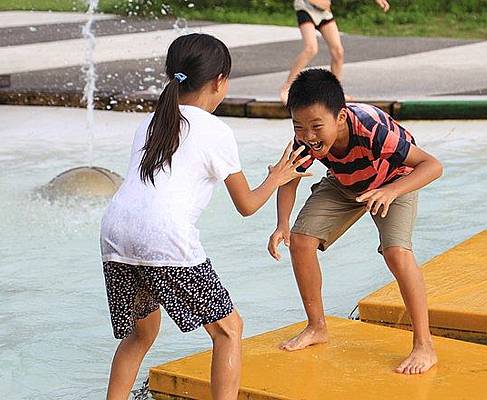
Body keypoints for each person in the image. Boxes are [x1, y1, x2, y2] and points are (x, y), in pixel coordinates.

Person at [100, 33, 311, 400]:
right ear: (219, 82)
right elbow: (246, 205)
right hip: (161, 237)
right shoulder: (216, 131)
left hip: (115, 233)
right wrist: (278, 177)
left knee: (141, 334)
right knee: (228, 330)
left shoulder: (150, 123)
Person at [268, 68, 442, 374]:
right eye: (299, 127)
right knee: (300, 242)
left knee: (397, 253)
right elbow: (289, 178)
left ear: (340, 118)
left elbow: (432, 166)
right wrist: (283, 224)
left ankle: (424, 345)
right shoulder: (305, 139)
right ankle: (316, 327)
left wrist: (390, 191)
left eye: (316, 127)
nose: (308, 136)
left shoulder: (372, 130)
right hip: (345, 181)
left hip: (394, 180)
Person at [280, 0, 391, 103]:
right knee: (311, 49)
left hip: (324, 12)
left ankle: (335, 92)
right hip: (306, 8)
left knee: (338, 51)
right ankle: (287, 88)